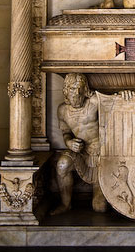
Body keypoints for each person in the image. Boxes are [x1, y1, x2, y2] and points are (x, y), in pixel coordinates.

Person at [50, 73, 107, 215]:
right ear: (65, 91)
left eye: (79, 88)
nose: (76, 93)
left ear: (85, 89)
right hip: (80, 152)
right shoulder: (62, 110)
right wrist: (69, 142)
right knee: (62, 165)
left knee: (99, 207)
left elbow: (116, 107)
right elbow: (65, 132)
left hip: (100, 155)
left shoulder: (94, 102)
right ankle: (65, 204)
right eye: (72, 89)